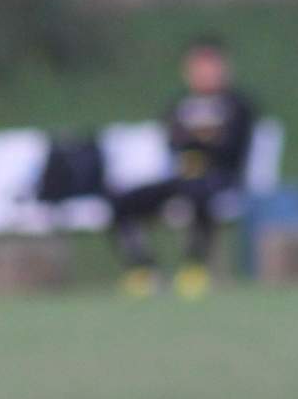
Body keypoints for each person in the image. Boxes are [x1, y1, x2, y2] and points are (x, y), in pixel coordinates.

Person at [110, 35, 258, 300]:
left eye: (210, 66)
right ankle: (142, 269)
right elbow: (172, 141)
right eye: (198, 67)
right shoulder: (181, 105)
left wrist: (200, 143)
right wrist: (196, 142)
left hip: (222, 178)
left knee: (201, 192)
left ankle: (194, 267)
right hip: (182, 177)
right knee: (122, 201)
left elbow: (233, 148)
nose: (204, 73)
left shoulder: (238, 104)